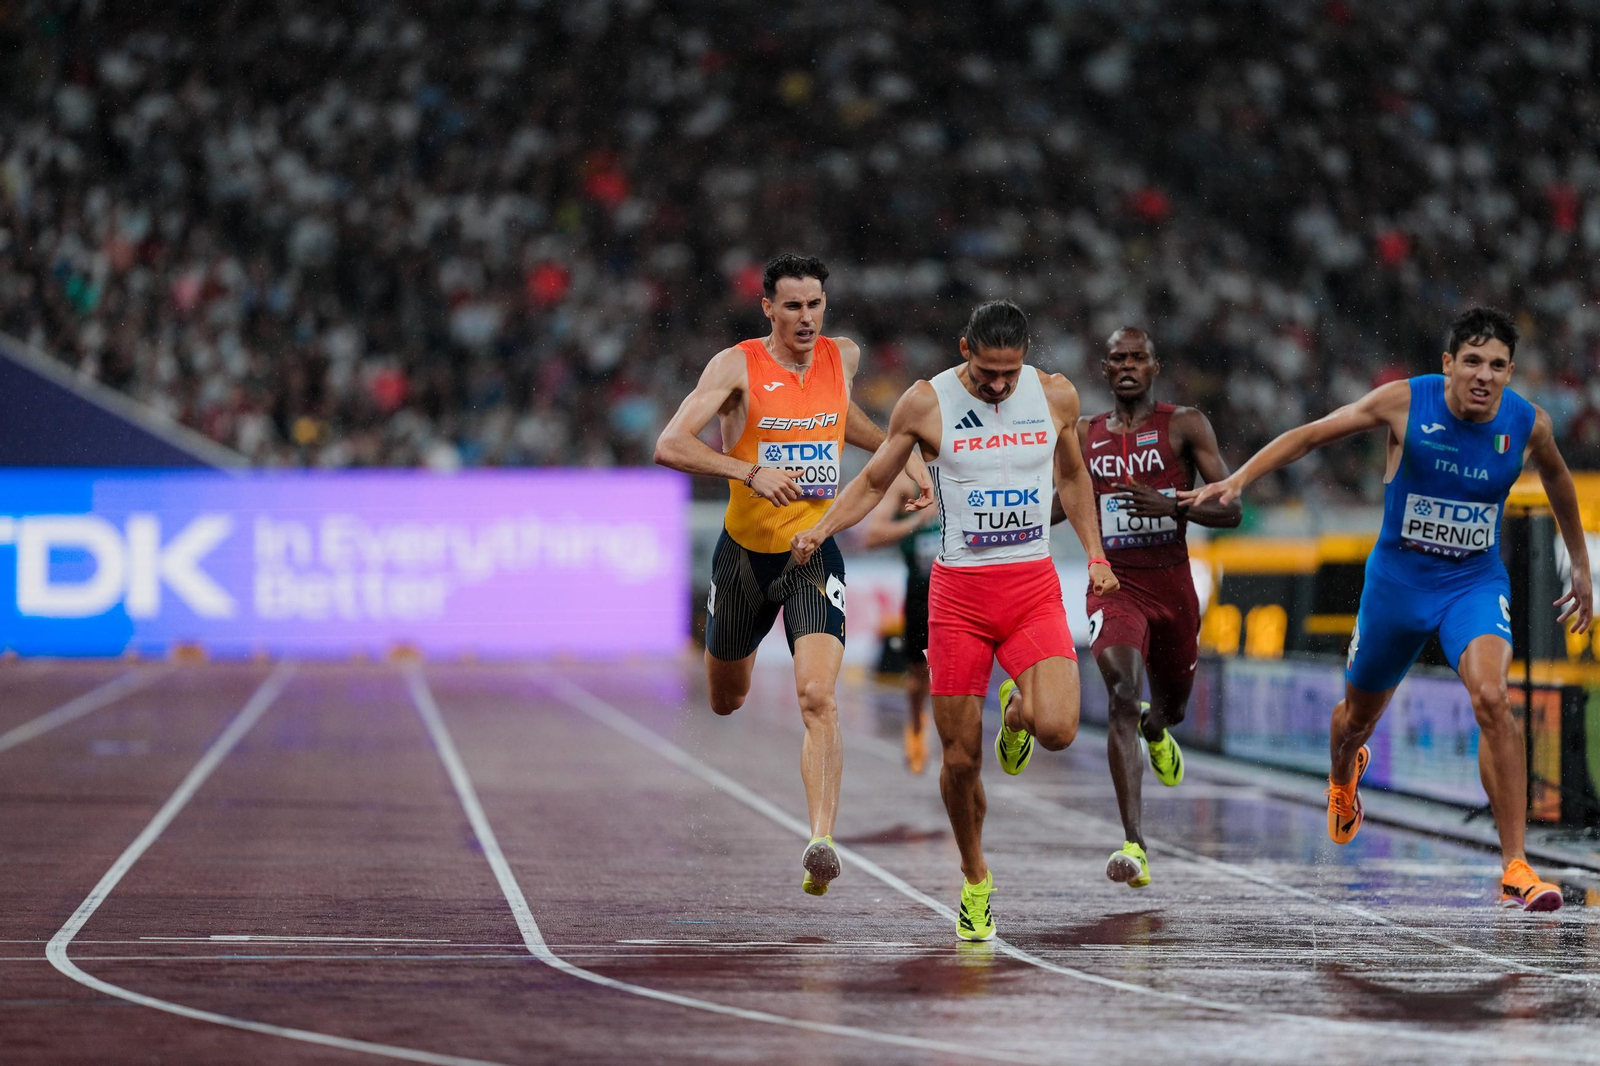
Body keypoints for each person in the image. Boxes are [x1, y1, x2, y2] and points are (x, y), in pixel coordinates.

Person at [1185, 307, 1592, 912]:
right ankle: (1343, 776)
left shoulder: (1527, 423)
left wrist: (1579, 562)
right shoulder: (1405, 402)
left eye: (1497, 365)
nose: (1483, 376)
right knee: (1355, 721)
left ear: (1511, 372)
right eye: (1472, 362)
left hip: (1473, 583)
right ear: (1448, 364)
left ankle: (1516, 865)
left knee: (1492, 698)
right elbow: (1312, 434)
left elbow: (1558, 478)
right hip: (1397, 587)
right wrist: (1239, 479)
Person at [792, 300, 1118, 940]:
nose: (998, 385)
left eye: (1010, 373)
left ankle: (1017, 714)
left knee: (1057, 729)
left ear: (1026, 358)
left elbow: (1074, 478)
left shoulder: (1055, 395)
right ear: (965, 348)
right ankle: (974, 877)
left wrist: (1096, 554)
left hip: (1031, 587)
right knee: (961, 761)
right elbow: (873, 481)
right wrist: (822, 528)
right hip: (959, 599)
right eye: (988, 372)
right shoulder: (926, 402)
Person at [654, 253, 931, 898]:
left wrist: (900, 452)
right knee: (726, 698)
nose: (806, 318)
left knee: (817, 698)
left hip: (813, 554)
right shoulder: (736, 366)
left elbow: (839, 418)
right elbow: (669, 444)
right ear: (768, 308)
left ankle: (821, 841)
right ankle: (738, 652)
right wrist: (749, 471)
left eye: (815, 305)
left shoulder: (844, 357)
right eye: (793, 306)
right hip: (744, 559)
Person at [1075, 327, 1240, 889]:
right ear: (1105, 368)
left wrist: (1173, 507)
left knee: (1168, 708)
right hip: (1114, 586)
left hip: (1173, 589)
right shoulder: (1085, 434)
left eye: (1137, 358)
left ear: (1154, 367)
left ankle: (1157, 728)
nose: (1127, 366)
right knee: (1122, 692)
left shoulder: (1185, 425)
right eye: (1117, 358)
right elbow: (1066, 500)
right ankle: (1134, 844)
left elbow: (1232, 510)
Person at [861, 473, 941, 774]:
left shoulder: (963, 473)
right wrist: (916, 522)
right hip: (921, 591)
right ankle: (917, 725)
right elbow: (872, 535)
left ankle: (953, 734)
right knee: (919, 672)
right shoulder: (904, 487)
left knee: (959, 670)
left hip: (962, 587)